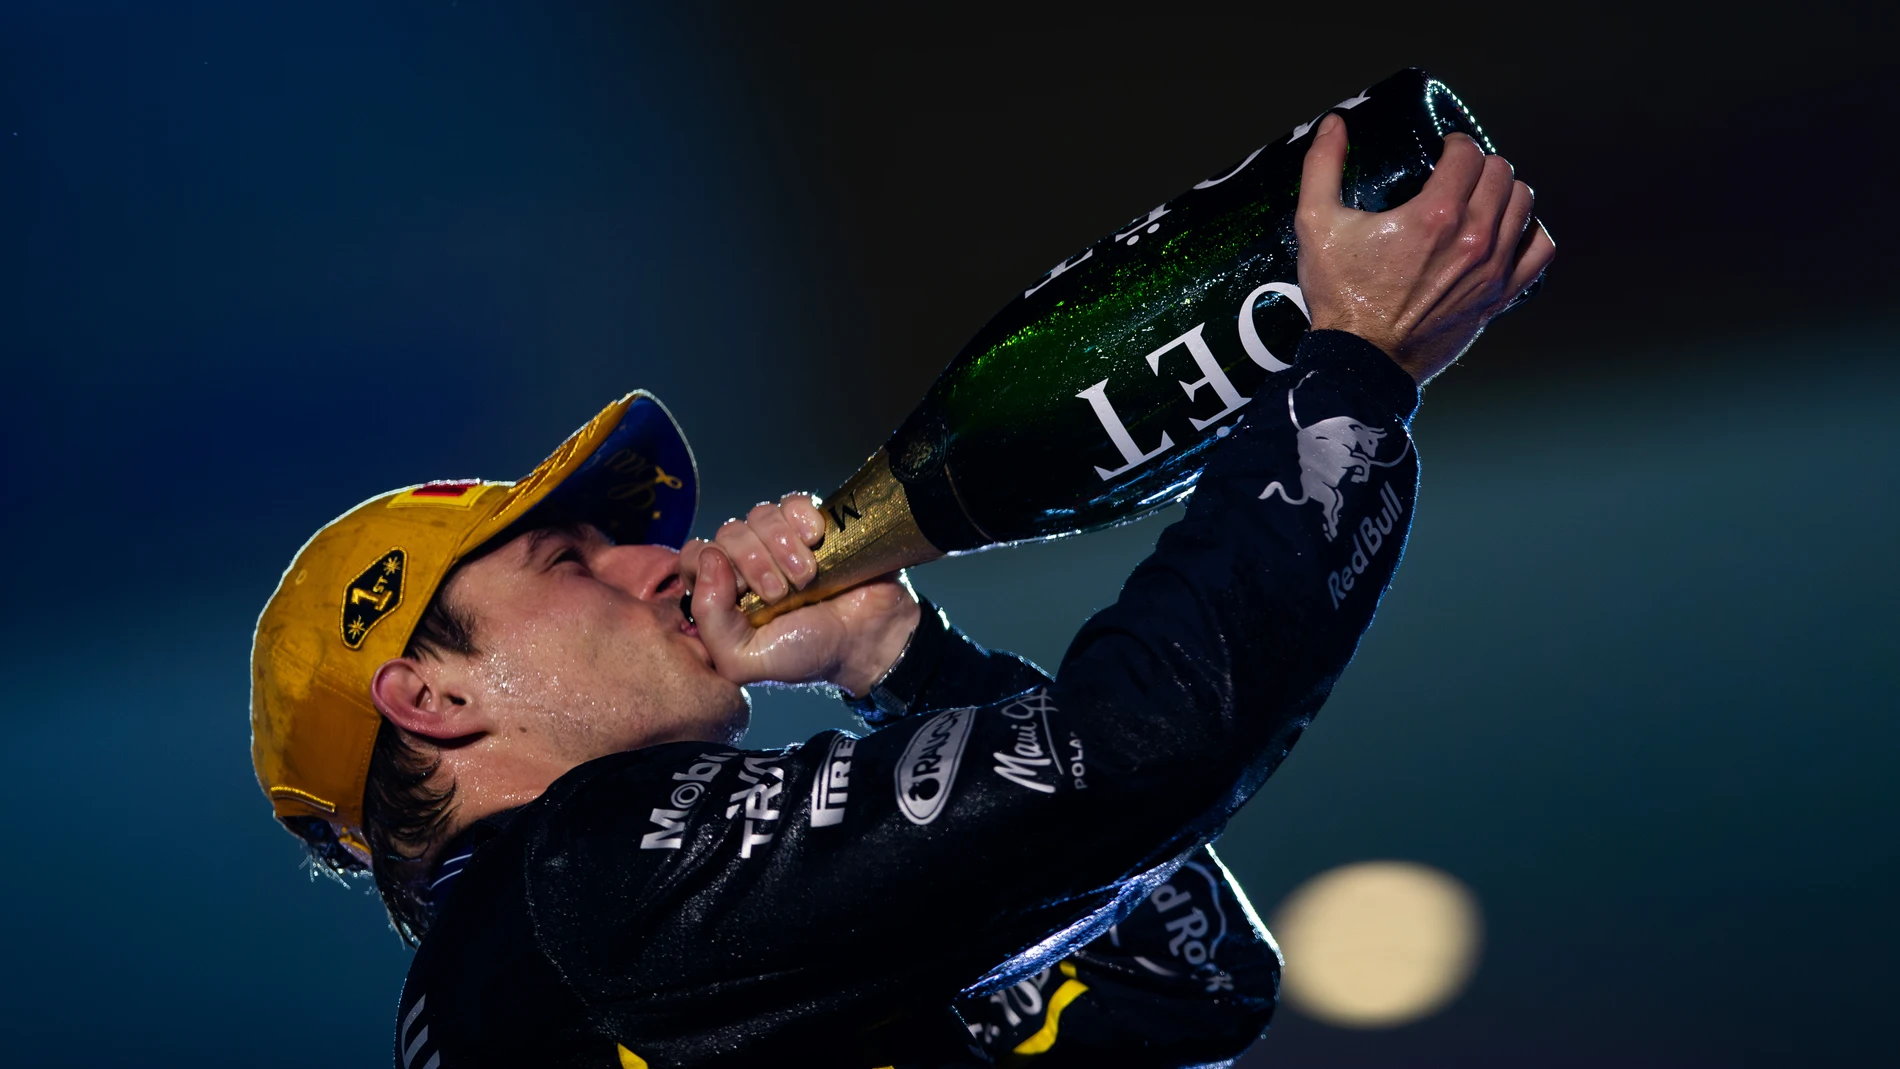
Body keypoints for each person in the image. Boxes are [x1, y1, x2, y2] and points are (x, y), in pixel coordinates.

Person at [250, 115, 1552, 1068]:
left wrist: (897, 655)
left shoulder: (583, 960)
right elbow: (1140, 756)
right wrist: (1348, 376)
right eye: (566, 562)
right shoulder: (577, 885)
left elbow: (1181, 985)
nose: (655, 562)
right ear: (427, 696)